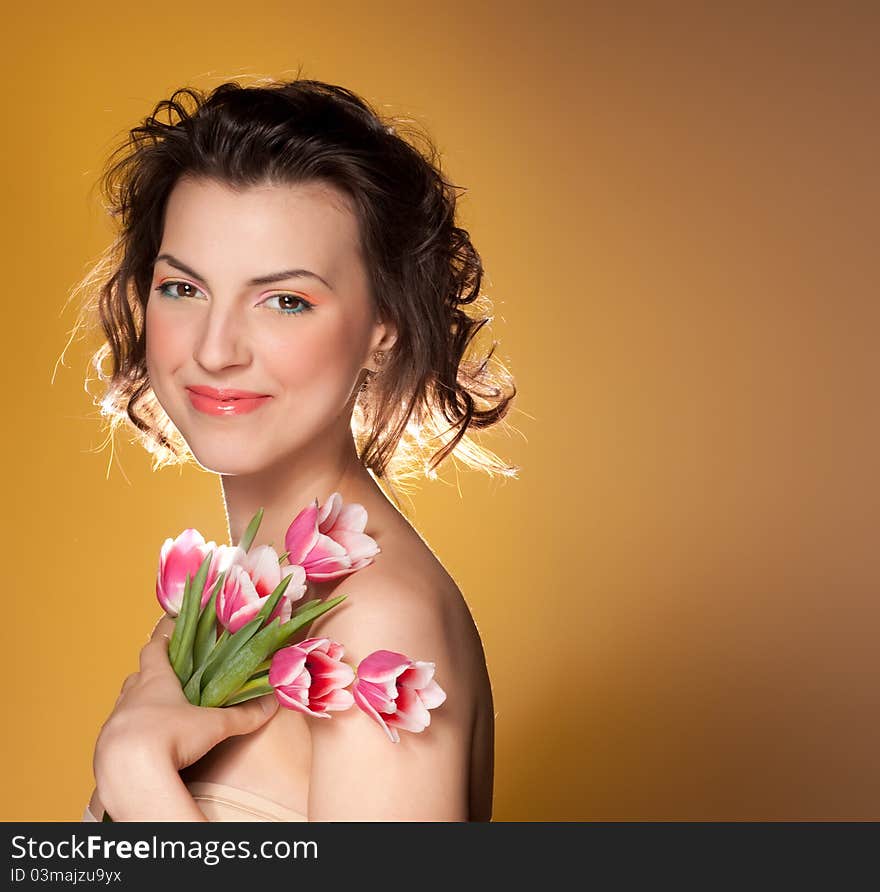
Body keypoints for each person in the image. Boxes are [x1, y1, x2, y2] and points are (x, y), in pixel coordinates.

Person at [69, 77, 518, 822]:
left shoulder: (377, 627)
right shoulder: (260, 590)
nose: (215, 351)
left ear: (385, 328)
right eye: (183, 288)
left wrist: (138, 775)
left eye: (286, 301)